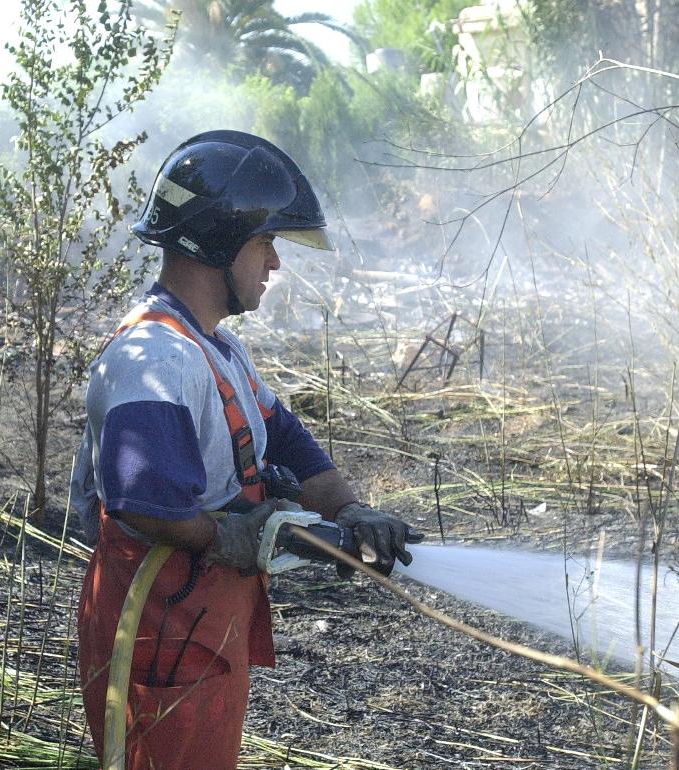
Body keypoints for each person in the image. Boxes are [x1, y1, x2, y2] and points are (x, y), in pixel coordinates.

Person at [71, 130, 424, 770]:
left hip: (200, 622)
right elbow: (146, 502)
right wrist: (240, 537)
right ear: (220, 241)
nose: (275, 263)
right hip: (158, 630)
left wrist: (348, 511)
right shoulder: (151, 360)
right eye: (266, 243)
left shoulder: (214, 348)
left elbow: (283, 435)